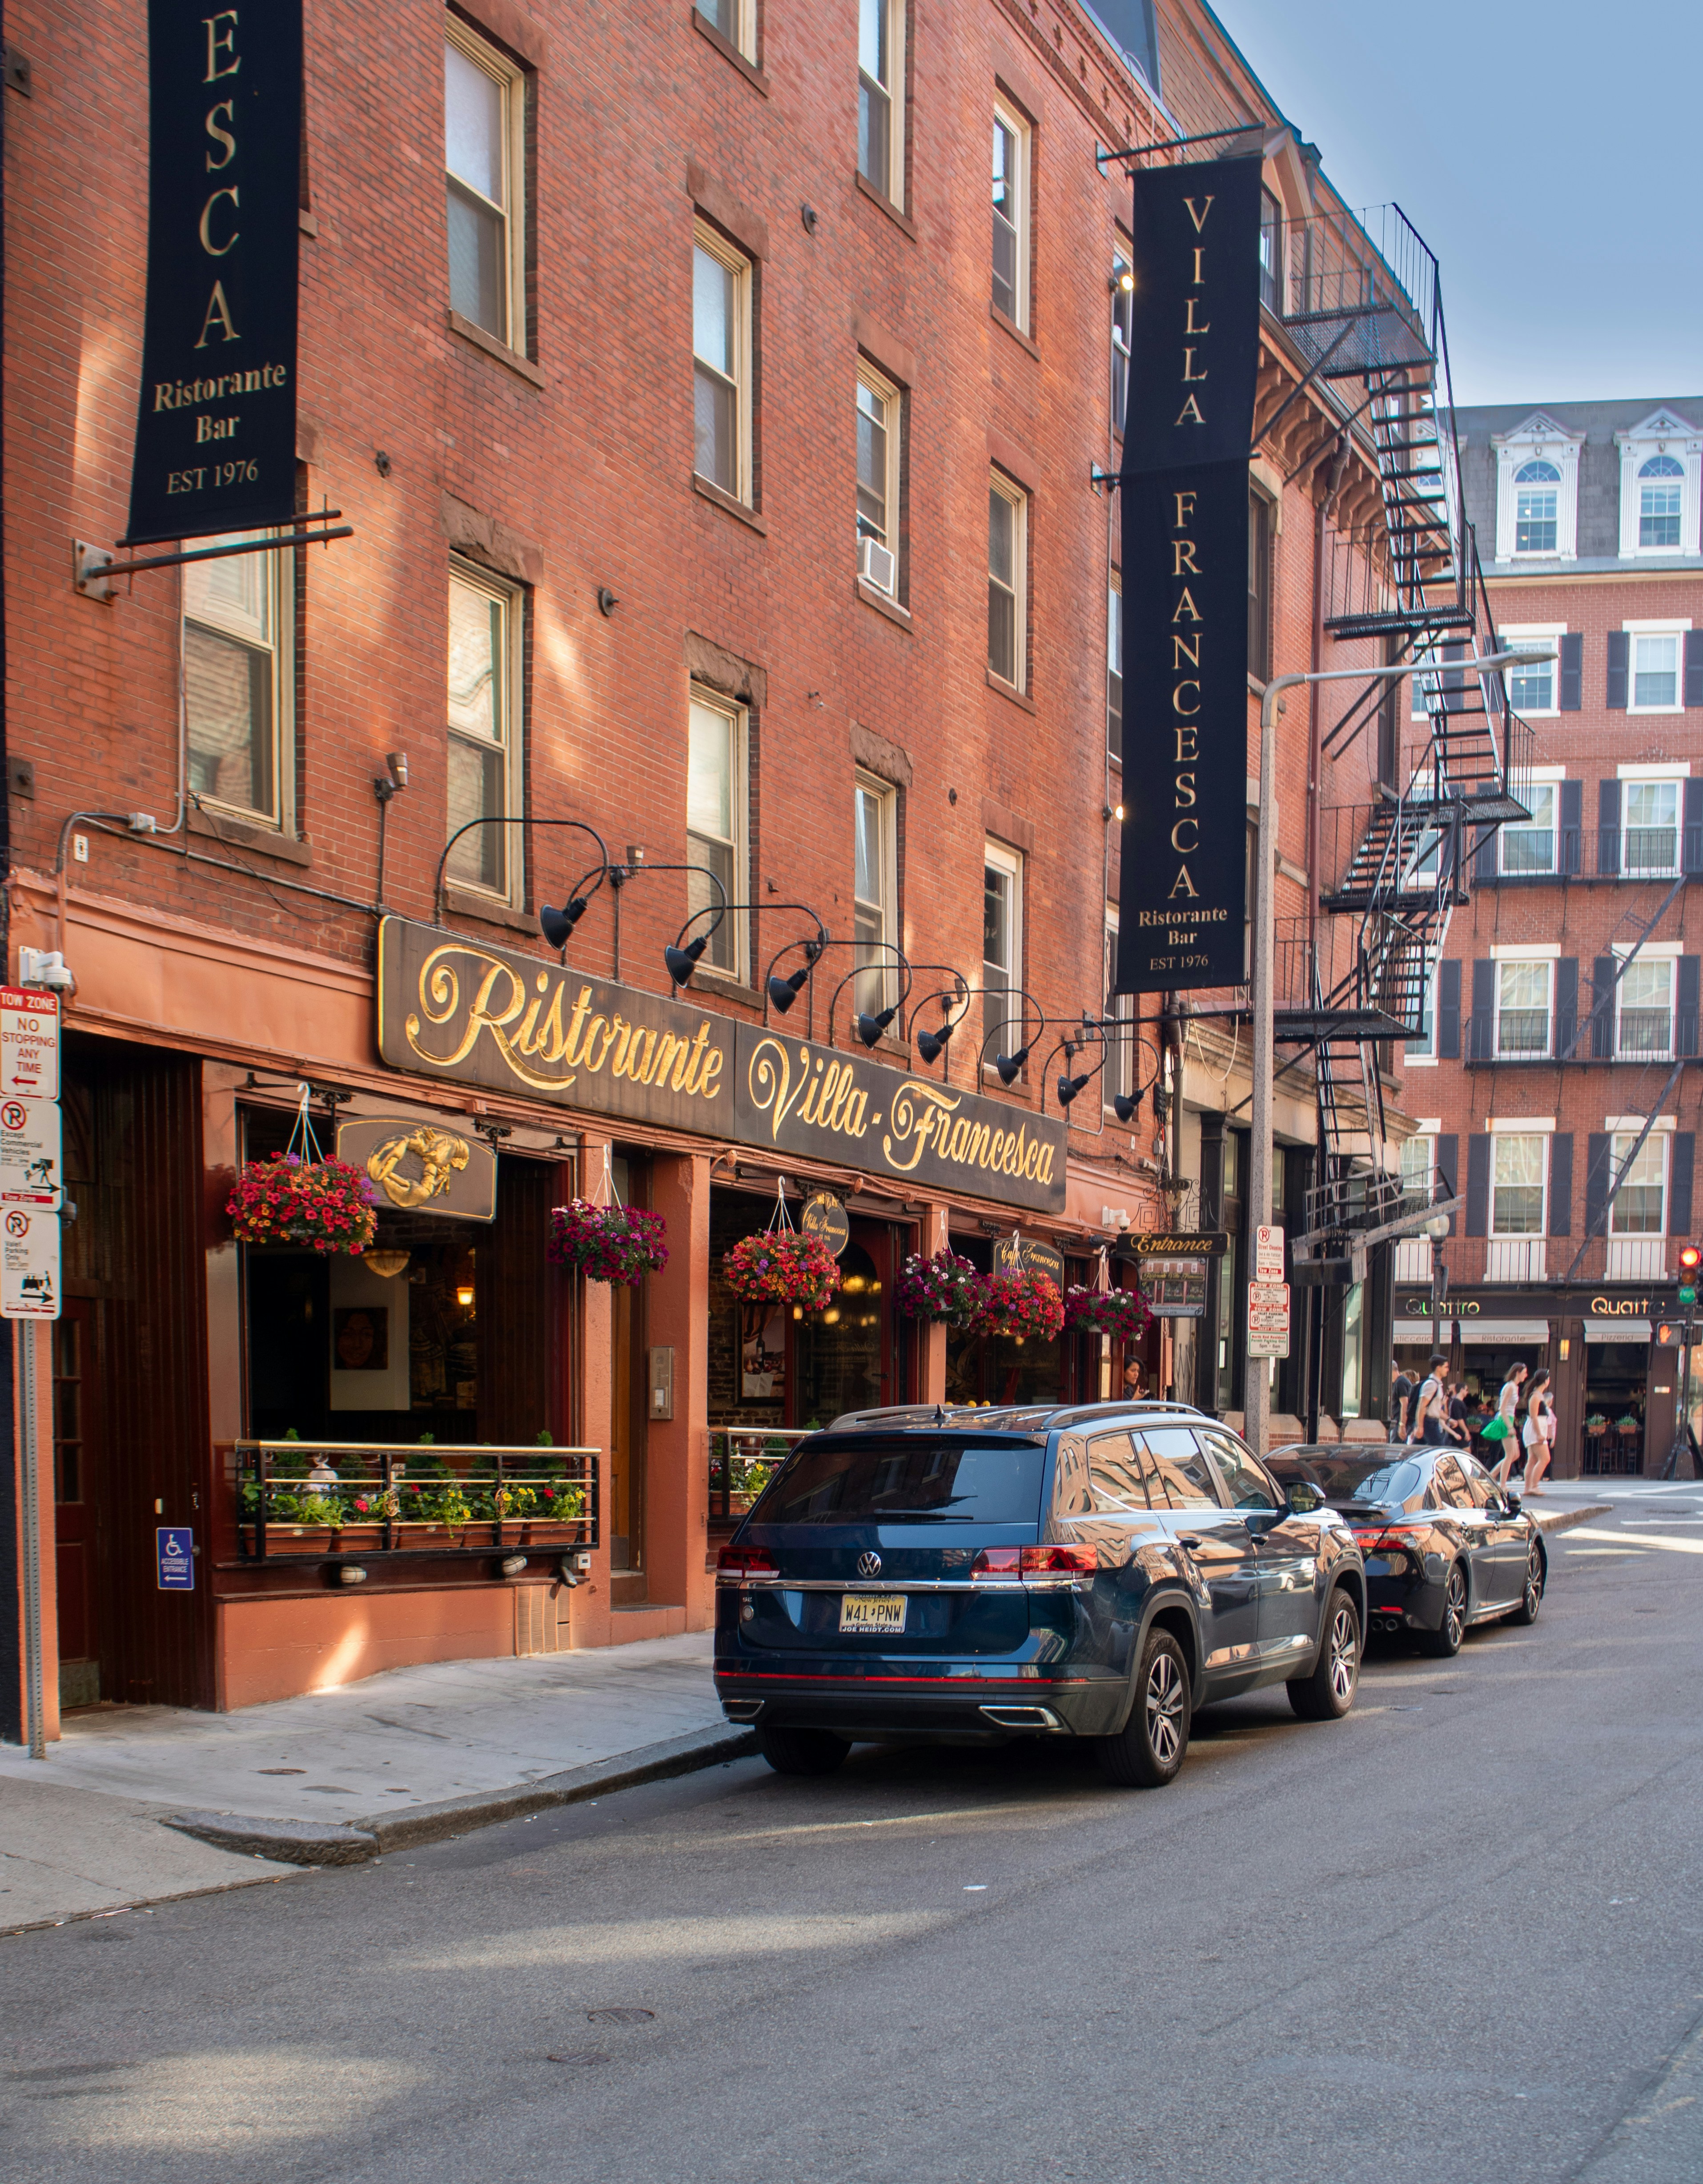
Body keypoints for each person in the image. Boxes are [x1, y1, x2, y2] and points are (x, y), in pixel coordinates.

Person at [1490, 1361, 1530, 1486]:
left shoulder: (1514, 1387)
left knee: (1515, 1455)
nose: (1526, 1376)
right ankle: (1502, 1485)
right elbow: (1502, 1408)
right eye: (1524, 1373)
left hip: (1508, 1420)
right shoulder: (1510, 1387)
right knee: (1510, 1455)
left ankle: (1492, 1475)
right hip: (1505, 1421)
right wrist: (1510, 1426)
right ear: (1518, 1373)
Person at [1522, 1368, 1555, 1495]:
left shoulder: (1538, 1395)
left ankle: (1528, 1488)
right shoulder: (1536, 1396)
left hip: (1536, 1429)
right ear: (1546, 1381)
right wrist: (1540, 1434)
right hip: (1536, 1430)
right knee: (1545, 1458)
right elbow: (1534, 1416)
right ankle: (1534, 1486)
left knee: (1532, 1460)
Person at [1407, 1353, 1452, 1445]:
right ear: (1439, 1368)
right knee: (1439, 1450)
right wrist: (1420, 1426)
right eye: (1446, 1367)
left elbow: (1436, 1409)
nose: (1448, 1370)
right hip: (1429, 1423)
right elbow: (1422, 1406)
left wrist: (1448, 1420)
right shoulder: (1431, 1384)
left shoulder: (1437, 1384)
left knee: (1417, 1449)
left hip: (1431, 1422)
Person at [1390, 1355, 1416, 1441]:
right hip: (1399, 1420)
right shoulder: (1400, 1382)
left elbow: (1405, 1403)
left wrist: (1402, 1425)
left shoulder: (1401, 1382)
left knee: (1396, 1446)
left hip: (1400, 1421)